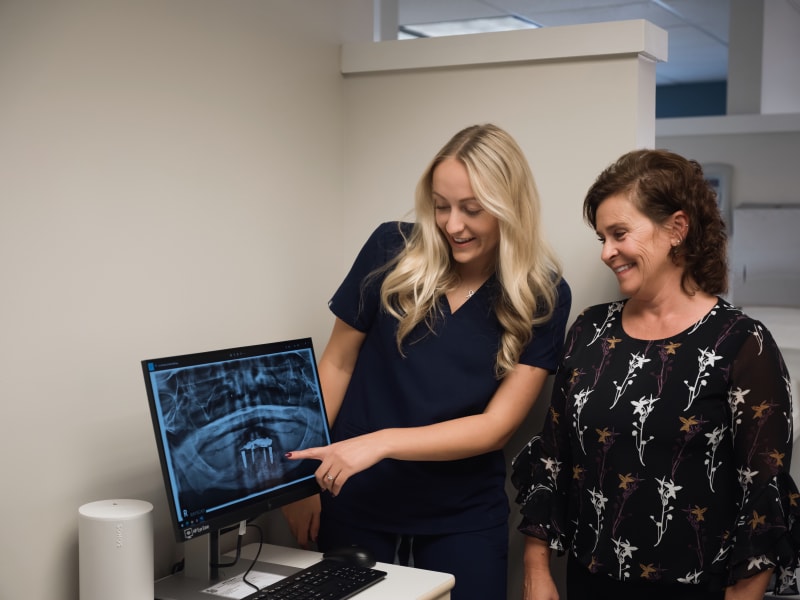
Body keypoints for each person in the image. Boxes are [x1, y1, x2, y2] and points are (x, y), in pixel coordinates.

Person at [283, 123, 571, 600]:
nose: (452, 225)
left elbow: (496, 427)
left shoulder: (543, 294)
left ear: (509, 209)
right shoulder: (388, 249)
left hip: (462, 514)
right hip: (354, 496)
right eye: (441, 206)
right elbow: (335, 365)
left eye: (472, 210)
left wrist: (381, 443)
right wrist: (297, 485)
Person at [511, 148, 800, 600]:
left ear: (676, 229)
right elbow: (553, 456)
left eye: (620, 233)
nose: (607, 252)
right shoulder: (589, 330)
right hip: (590, 584)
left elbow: (762, 499)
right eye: (602, 237)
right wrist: (536, 568)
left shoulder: (743, 343)